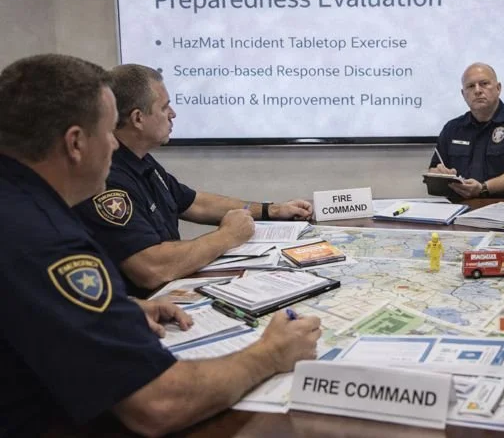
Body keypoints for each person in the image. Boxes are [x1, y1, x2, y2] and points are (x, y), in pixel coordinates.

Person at [0, 54, 321, 436]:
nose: (114, 147)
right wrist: (270, 354)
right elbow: (157, 404)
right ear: (75, 143)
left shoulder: (18, 204)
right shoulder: (48, 240)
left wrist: (122, 309)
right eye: (107, 133)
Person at [74, 64, 313, 296]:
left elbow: (196, 203)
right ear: (138, 118)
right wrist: (226, 237)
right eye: (165, 107)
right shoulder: (107, 178)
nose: (173, 114)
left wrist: (272, 210)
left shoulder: (142, 161)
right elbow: (151, 268)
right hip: (147, 307)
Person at [429, 62, 504, 199]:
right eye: (470, 86)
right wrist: (439, 174)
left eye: (484, 84)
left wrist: (484, 188)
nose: (477, 90)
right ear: (463, 94)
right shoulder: (452, 128)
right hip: (458, 211)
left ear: (498, 88)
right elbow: (433, 170)